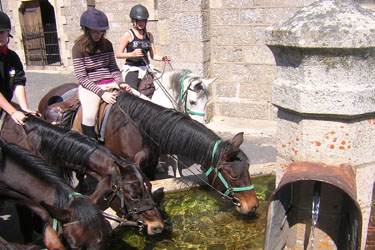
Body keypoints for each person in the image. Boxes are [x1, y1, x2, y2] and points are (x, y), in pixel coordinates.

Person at [72, 8, 131, 139]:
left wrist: (121, 83)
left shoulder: (107, 44)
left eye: (101, 31)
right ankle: (92, 146)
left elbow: (113, 68)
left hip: (111, 82)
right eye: (94, 32)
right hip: (90, 86)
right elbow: (82, 77)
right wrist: (101, 93)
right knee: (89, 116)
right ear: (87, 30)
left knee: (141, 98)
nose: (98, 35)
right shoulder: (78, 48)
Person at [115, 4, 170, 94]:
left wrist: (162, 58)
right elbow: (118, 54)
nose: (141, 23)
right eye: (139, 21)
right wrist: (132, 54)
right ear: (133, 21)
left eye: (143, 21)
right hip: (133, 68)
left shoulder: (149, 35)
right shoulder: (128, 35)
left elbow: (153, 56)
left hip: (146, 67)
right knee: (131, 92)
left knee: (162, 85)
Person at [0, 11, 34, 125]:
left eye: (1, 32)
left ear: (8, 33)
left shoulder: (11, 57)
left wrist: (24, 108)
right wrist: (13, 112)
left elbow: (18, 82)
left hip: (4, 103)